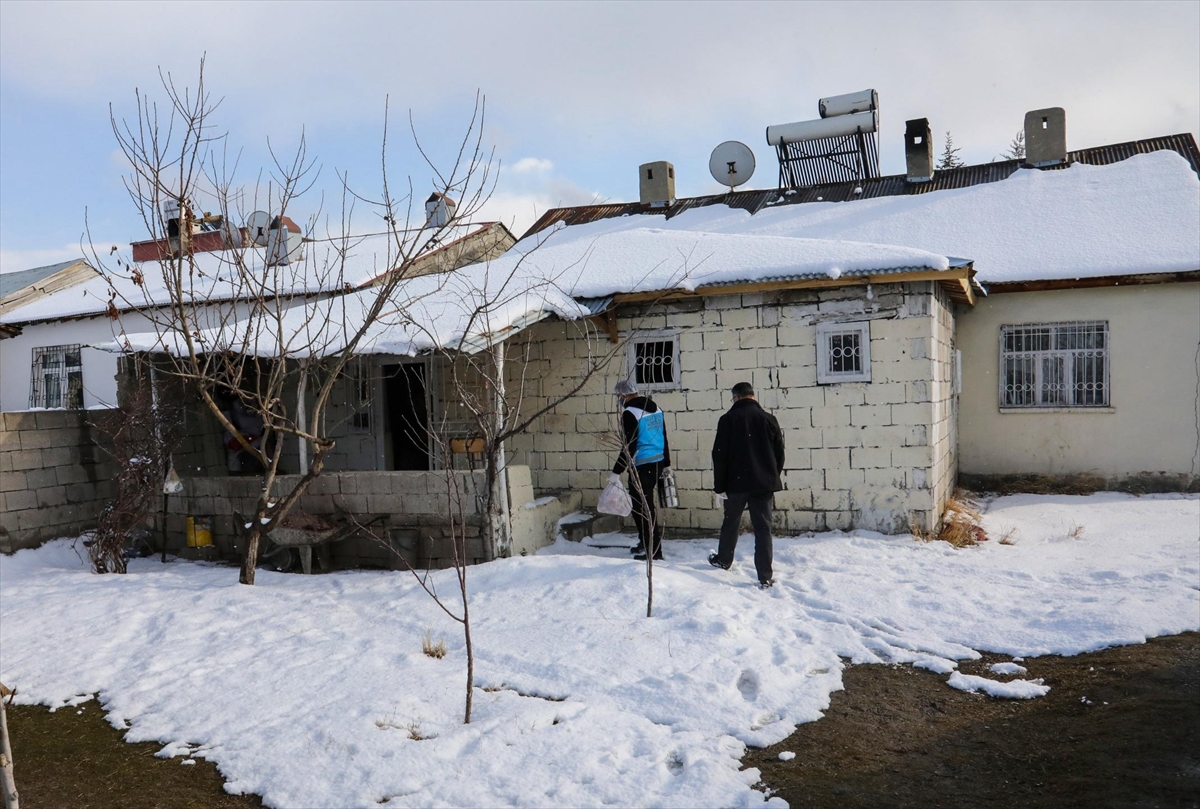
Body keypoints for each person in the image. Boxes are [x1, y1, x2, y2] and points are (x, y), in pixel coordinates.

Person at [709, 381, 785, 589]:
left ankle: (724, 559)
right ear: (752, 395)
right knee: (763, 529)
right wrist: (771, 476)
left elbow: (719, 455)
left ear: (736, 397)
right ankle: (765, 575)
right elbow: (779, 453)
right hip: (763, 483)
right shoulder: (769, 419)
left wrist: (719, 486)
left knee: (731, 522)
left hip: (736, 483)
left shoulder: (727, 420)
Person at [608, 380, 671, 561]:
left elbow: (630, 446)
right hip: (657, 463)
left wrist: (616, 471)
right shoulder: (656, 408)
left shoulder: (630, 413)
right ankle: (646, 543)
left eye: (618, 397)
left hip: (642, 466)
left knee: (643, 509)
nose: (619, 400)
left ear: (623, 395)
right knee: (644, 508)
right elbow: (663, 436)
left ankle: (654, 551)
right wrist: (666, 463)